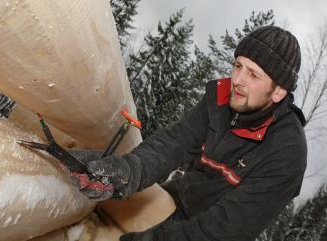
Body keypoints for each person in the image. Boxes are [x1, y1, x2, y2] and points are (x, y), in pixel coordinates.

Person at [69, 25, 307, 241]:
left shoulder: (287, 153)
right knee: (103, 205)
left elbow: (225, 230)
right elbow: (174, 143)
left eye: (253, 75)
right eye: (238, 66)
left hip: (209, 231)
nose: (237, 80)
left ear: (278, 93)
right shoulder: (222, 99)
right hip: (180, 197)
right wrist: (126, 171)